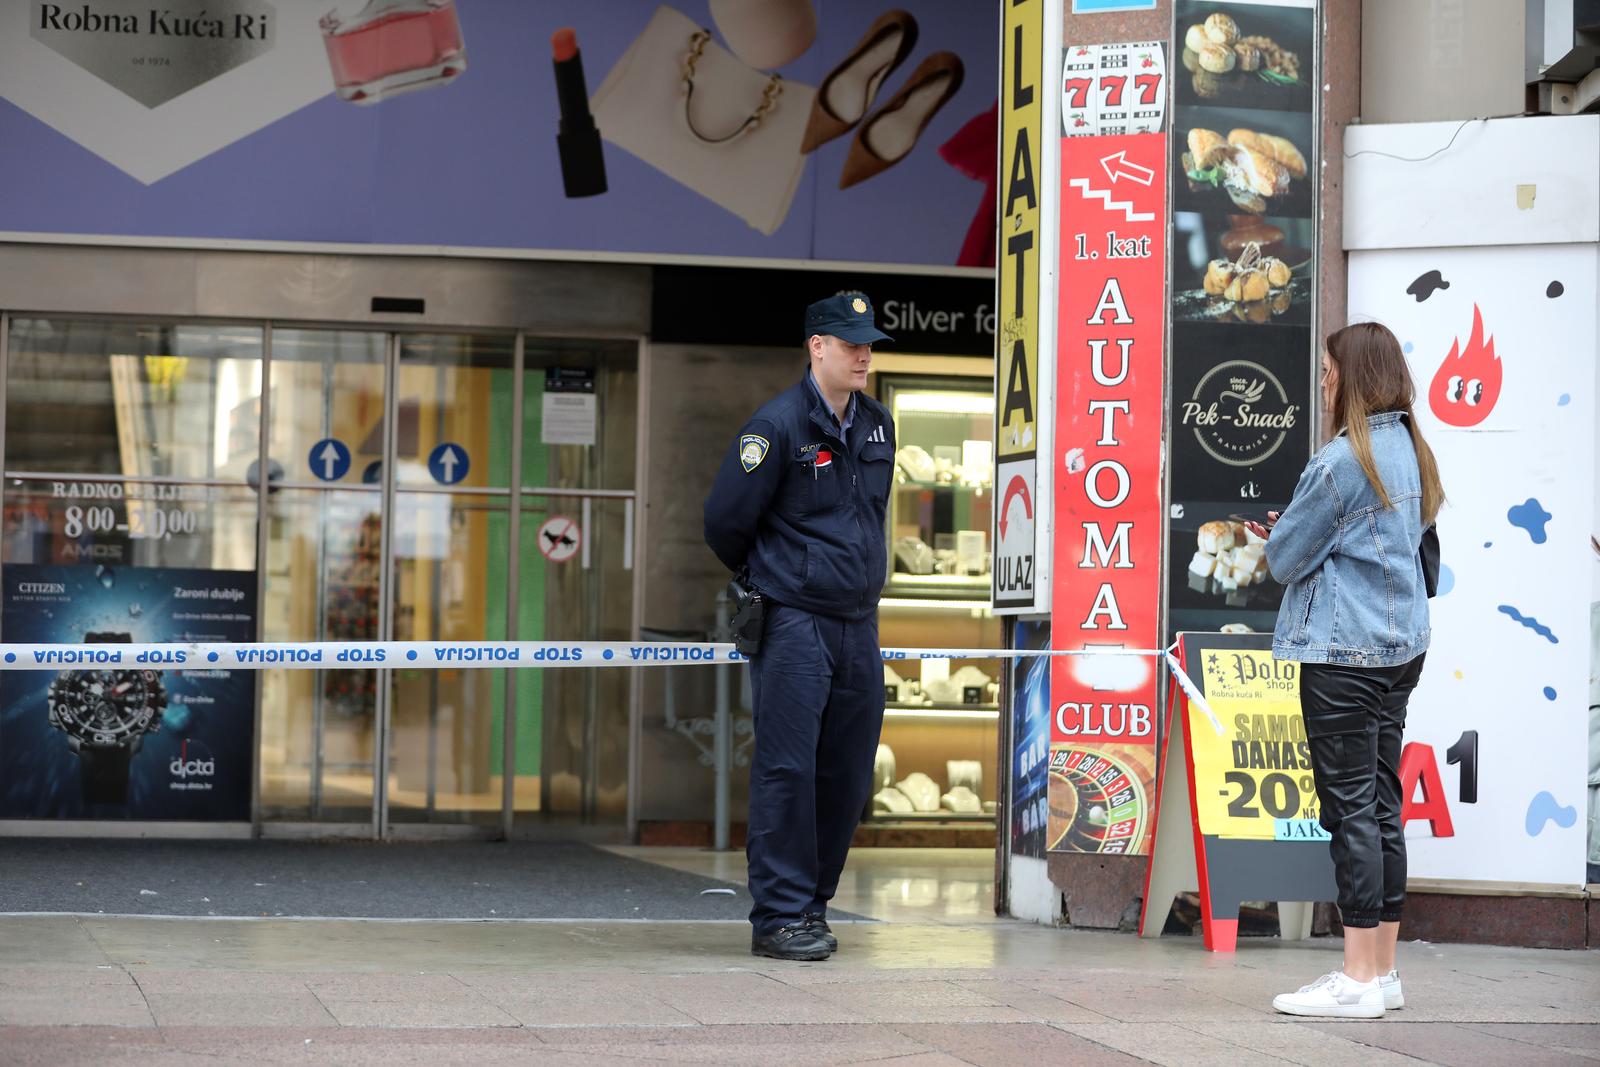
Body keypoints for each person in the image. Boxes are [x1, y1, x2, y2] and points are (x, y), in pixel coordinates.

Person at [1247, 321, 1445, 1019]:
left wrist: (1277, 535)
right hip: (1401, 652)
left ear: (1354, 377)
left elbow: (1284, 558)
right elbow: (1419, 552)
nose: (1324, 382)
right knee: (1382, 802)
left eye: (1330, 372)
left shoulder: (1340, 461)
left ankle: (1357, 977)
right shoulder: (1413, 451)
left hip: (1343, 655)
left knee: (1351, 807)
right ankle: (1382, 968)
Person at [703, 292, 898, 961]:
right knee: (788, 769)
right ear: (817, 346)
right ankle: (779, 916)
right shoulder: (777, 426)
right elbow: (725, 521)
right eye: (849, 342)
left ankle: (812, 903)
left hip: (858, 625)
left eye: (867, 341)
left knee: (846, 772)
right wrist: (777, 575)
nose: (863, 352)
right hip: (796, 622)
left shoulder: (877, 424)